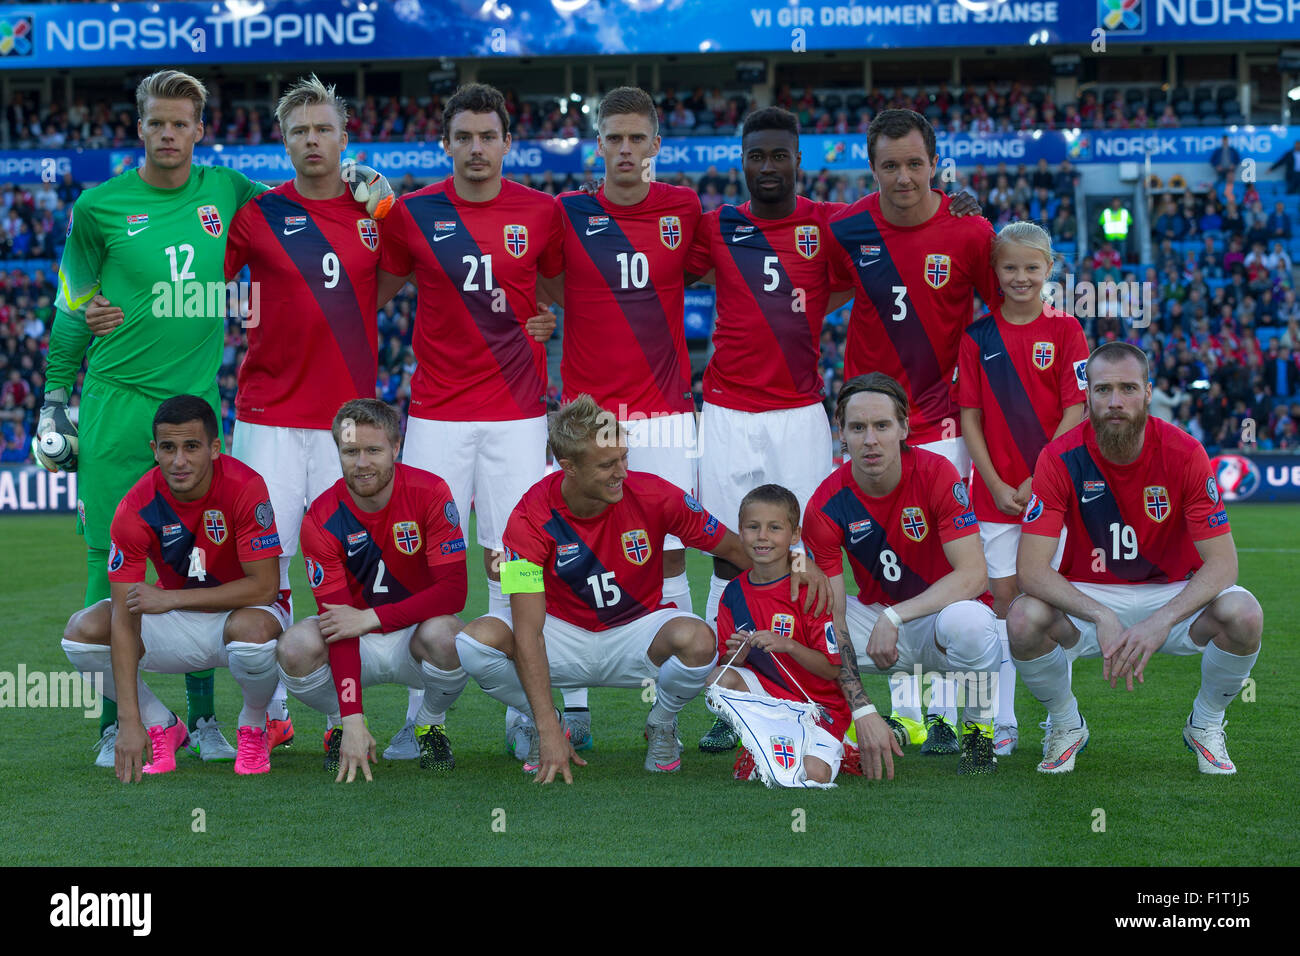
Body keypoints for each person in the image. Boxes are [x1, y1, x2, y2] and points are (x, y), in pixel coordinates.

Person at [454, 394, 827, 783]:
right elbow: (528, 630)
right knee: (474, 643)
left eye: (624, 457)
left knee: (699, 639)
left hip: (638, 631)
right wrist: (548, 725)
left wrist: (800, 562)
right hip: (560, 634)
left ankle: (661, 723)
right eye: (607, 464)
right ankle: (543, 722)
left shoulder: (655, 495)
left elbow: (734, 547)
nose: (622, 472)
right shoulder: (527, 516)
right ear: (568, 467)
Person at [375, 83, 565, 755]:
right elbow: (371, 290)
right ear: (446, 144)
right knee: (425, 564)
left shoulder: (543, 212)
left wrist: (549, 318)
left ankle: (524, 710)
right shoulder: (413, 213)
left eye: (488, 136)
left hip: (516, 417)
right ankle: (424, 717)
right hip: (435, 417)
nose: (477, 149)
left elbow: (561, 291)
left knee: (518, 563)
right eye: (464, 137)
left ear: (507, 142)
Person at [826, 108, 1000, 750]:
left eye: (915, 164)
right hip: (870, 422)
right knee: (881, 565)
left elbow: (1006, 312)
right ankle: (909, 710)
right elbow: (807, 281)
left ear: (935, 166)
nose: (903, 177)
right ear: (872, 170)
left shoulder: (970, 232)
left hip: (943, 426)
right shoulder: (846, 227)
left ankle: (964, 715)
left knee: (948, 567)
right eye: (889, 166)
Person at [1009, 342, 1263, 775]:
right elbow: (1031, 569)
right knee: (1021, 618)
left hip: (1173, 594)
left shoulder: (1185, 453)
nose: (1114, 402)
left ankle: (1205, 724)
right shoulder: (1058, 456)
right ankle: (1067, 725)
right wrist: (1101, 614)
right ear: (1086, 395)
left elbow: (1223, 564)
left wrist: (1160, 620)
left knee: (1244, 614)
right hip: (1089, 596)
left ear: (1148, 392)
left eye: (1127, 388)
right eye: (1103, 389)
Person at [59, 395, 288, 782]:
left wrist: (172, 597)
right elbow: (123, 616)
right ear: (155, 450)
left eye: (191, 447)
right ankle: (160, 723)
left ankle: (251, 725)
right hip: (178, 622)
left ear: (215, 448)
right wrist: (129, 721)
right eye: (168, 448)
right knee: (83, 634)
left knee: (254, 634)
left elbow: (265, 587)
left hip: (242, 616)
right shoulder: (136, 505)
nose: (179, 461)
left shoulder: (245, 486)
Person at [802, 373, 1001, 777]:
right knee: (806, 628)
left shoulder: (937, 472)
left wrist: (895, 616)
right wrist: (865, 708)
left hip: (936, 622)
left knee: (972, 623)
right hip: (874, 618)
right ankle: (824, 735)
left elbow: (975, 575)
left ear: (904, 428)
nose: (870, 440)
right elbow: (833, 616)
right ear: (841, 433)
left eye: (881, 425)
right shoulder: (824, 504)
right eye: (858, 428)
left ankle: (979, 735)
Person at [277, 399, 470, 782]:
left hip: (416, 635)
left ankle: (429, 724)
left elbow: (454, 592)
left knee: (453, 637)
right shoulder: (320, 517)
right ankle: (338, 728)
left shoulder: (430, 492)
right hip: (354, 641)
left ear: (396, 448)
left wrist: (372, 616)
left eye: (373, 450)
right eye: (350, 451)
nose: (361, 463)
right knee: (293, 648)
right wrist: (352, 718)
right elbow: (339, 626)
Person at [957, 221, 1088, 756]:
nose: (1020, 277)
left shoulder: (1066, 331)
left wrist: (1037, 479)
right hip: (993, 497)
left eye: (1031, 267)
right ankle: (1002, 721)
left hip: (1050, 493)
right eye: (1010, 267)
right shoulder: (977, 337)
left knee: (1047, 605)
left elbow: (1075, 411)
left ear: (1049, 268)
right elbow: (969, 418)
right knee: (1000, 606)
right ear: (996, 270)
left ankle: (1063, 714)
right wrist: (993, 480)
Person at [711, 484, 850, 786]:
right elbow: (725, 659)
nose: (762, 536)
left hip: (819, 709)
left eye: (774, 528)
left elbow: (831, 667)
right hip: (772, 703)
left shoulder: (807, 588)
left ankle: (846, 748)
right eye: (752, 527)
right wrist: (738, 654)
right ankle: (754, 742)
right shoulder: (733, 593)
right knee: (718, 679)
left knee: (812, 775)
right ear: (741, 531)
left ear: (795, 535)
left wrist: (788, 645)